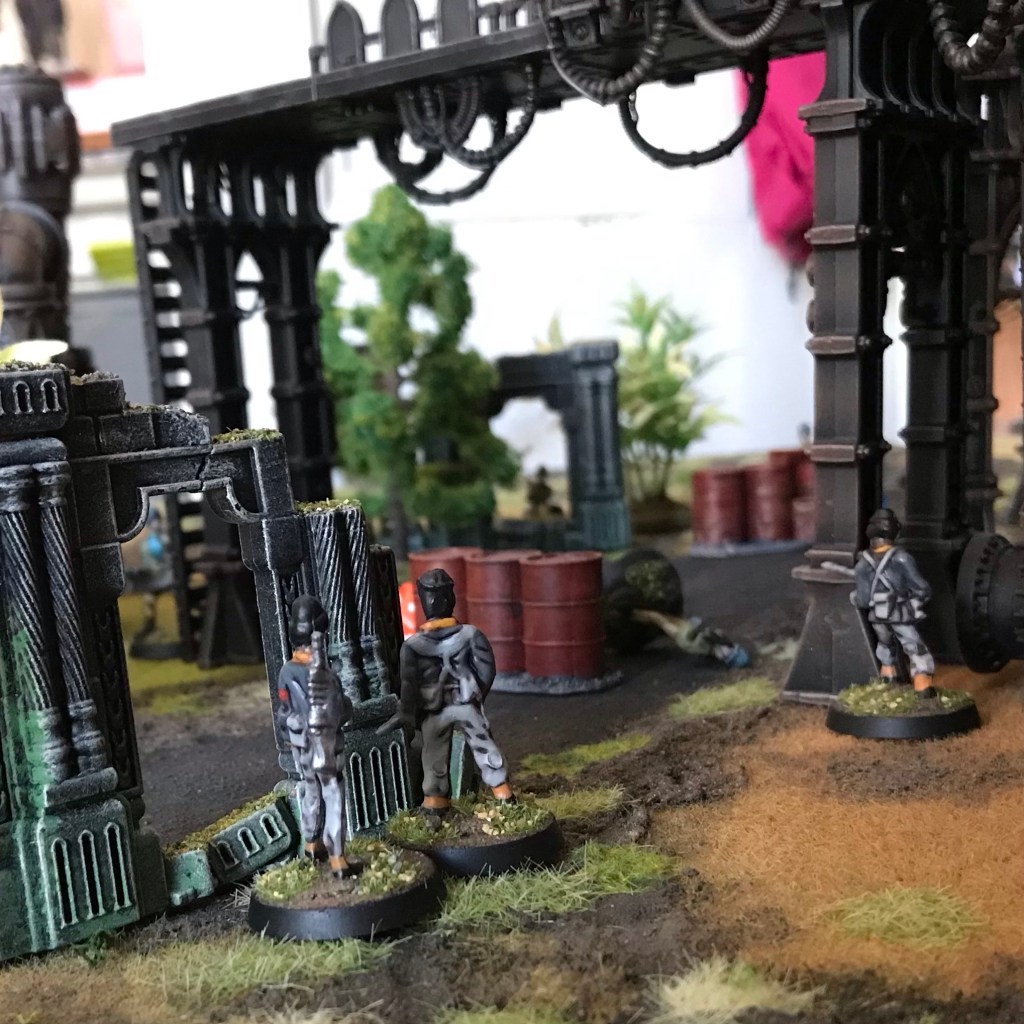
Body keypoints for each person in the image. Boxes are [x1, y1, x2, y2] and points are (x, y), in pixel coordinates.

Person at [382, 568, 514, 827]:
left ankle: (497, 793)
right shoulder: (429, 643)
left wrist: (411, 711)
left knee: (462, 746)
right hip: (448, 706)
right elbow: (485, 671)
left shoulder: (423, 644)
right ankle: (442, 800)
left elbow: (409, 686)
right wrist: (473, 696)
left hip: (446, 706)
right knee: (441, 749)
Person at [277, 595, 357, 877]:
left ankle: (311, 844)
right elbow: (340, 710)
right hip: (325, 745)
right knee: (333, 793)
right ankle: (337, 857)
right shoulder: (326, 676)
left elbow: (284, 709)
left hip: (301, 744)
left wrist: (290, 735)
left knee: (311, 789)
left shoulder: (286, 671)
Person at [851, 508, 936, 698]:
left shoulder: (862, 564)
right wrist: (915, 601)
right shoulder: (902, 558)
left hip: (877, 615)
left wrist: (855, 597)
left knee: (885, 644)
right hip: (900, 613)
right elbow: (922, 588)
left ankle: (888, 676)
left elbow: (863, 600)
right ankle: (922, 683)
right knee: (913, 646)